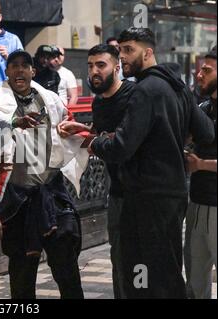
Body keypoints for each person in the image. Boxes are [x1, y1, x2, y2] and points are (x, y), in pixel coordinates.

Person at [89, 28, 215, 298]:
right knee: (167, 270)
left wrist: (94, 143)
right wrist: (171, 139)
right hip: (174, 193)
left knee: (142, 276)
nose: (122, 57)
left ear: (148, 52)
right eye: (120, 50)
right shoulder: (177, 85)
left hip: (146, 197)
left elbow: (122, 147)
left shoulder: (145, 90)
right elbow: (206, 132)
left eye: (129, 50)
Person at [0, 49, 91, 299]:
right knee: (22, 269)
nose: (19, 70)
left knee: (66, 263)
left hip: (51, 191)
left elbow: (69, 124)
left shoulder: (50, 99)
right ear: (7, 72)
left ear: (33, 71)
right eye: (14, 65)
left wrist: (83, 133)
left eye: (25, 65)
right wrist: (14, 121)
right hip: (18, 199)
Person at [87, 44, 136, 298]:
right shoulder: (98, 104)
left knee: (143, 262)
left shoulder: (134, 96)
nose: (94, 71)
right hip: (116, 191)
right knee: (119, 260)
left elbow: (122, 145)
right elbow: (102, 140)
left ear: (117, 66)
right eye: (90, 66)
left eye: (101, 65)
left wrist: (99, 142)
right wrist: (85, 134)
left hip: (143, 194)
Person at [184, 46, 217, 299]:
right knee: (195, 281)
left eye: (207, 70)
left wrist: (201, 165)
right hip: (196, 204)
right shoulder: (203, 108)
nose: (199, 74)